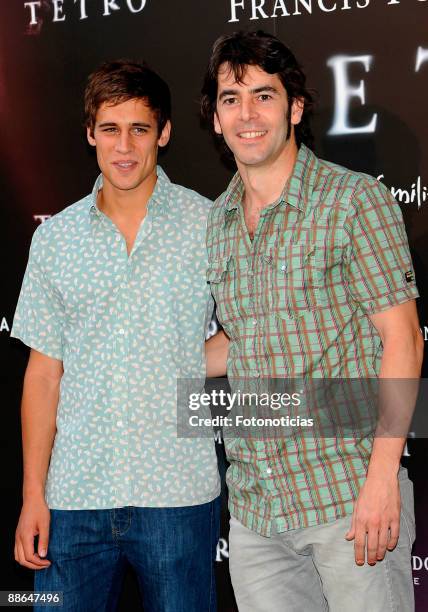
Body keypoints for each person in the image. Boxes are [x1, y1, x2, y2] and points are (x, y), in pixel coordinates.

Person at [200, 30, 423, 611]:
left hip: (349, 498)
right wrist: (147, 360)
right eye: (230, 98)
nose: (247, 114)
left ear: (295, 108)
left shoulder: (354, 202)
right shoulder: (218, 220)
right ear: (216, 119)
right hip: (256, 510)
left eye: (263, 96)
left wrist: (382, 479)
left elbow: (403, 341)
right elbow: (243, 342)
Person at [12, 59, 220, 612]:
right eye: (110, 128)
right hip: (75, 495)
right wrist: (34, 494)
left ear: (165, 132)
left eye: (139, 128)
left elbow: (250, 333)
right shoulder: (54, 240)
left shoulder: (210, 225)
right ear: (90, 134)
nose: (124, 146)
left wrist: (177, 360)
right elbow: (43, 374)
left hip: (177, 492)